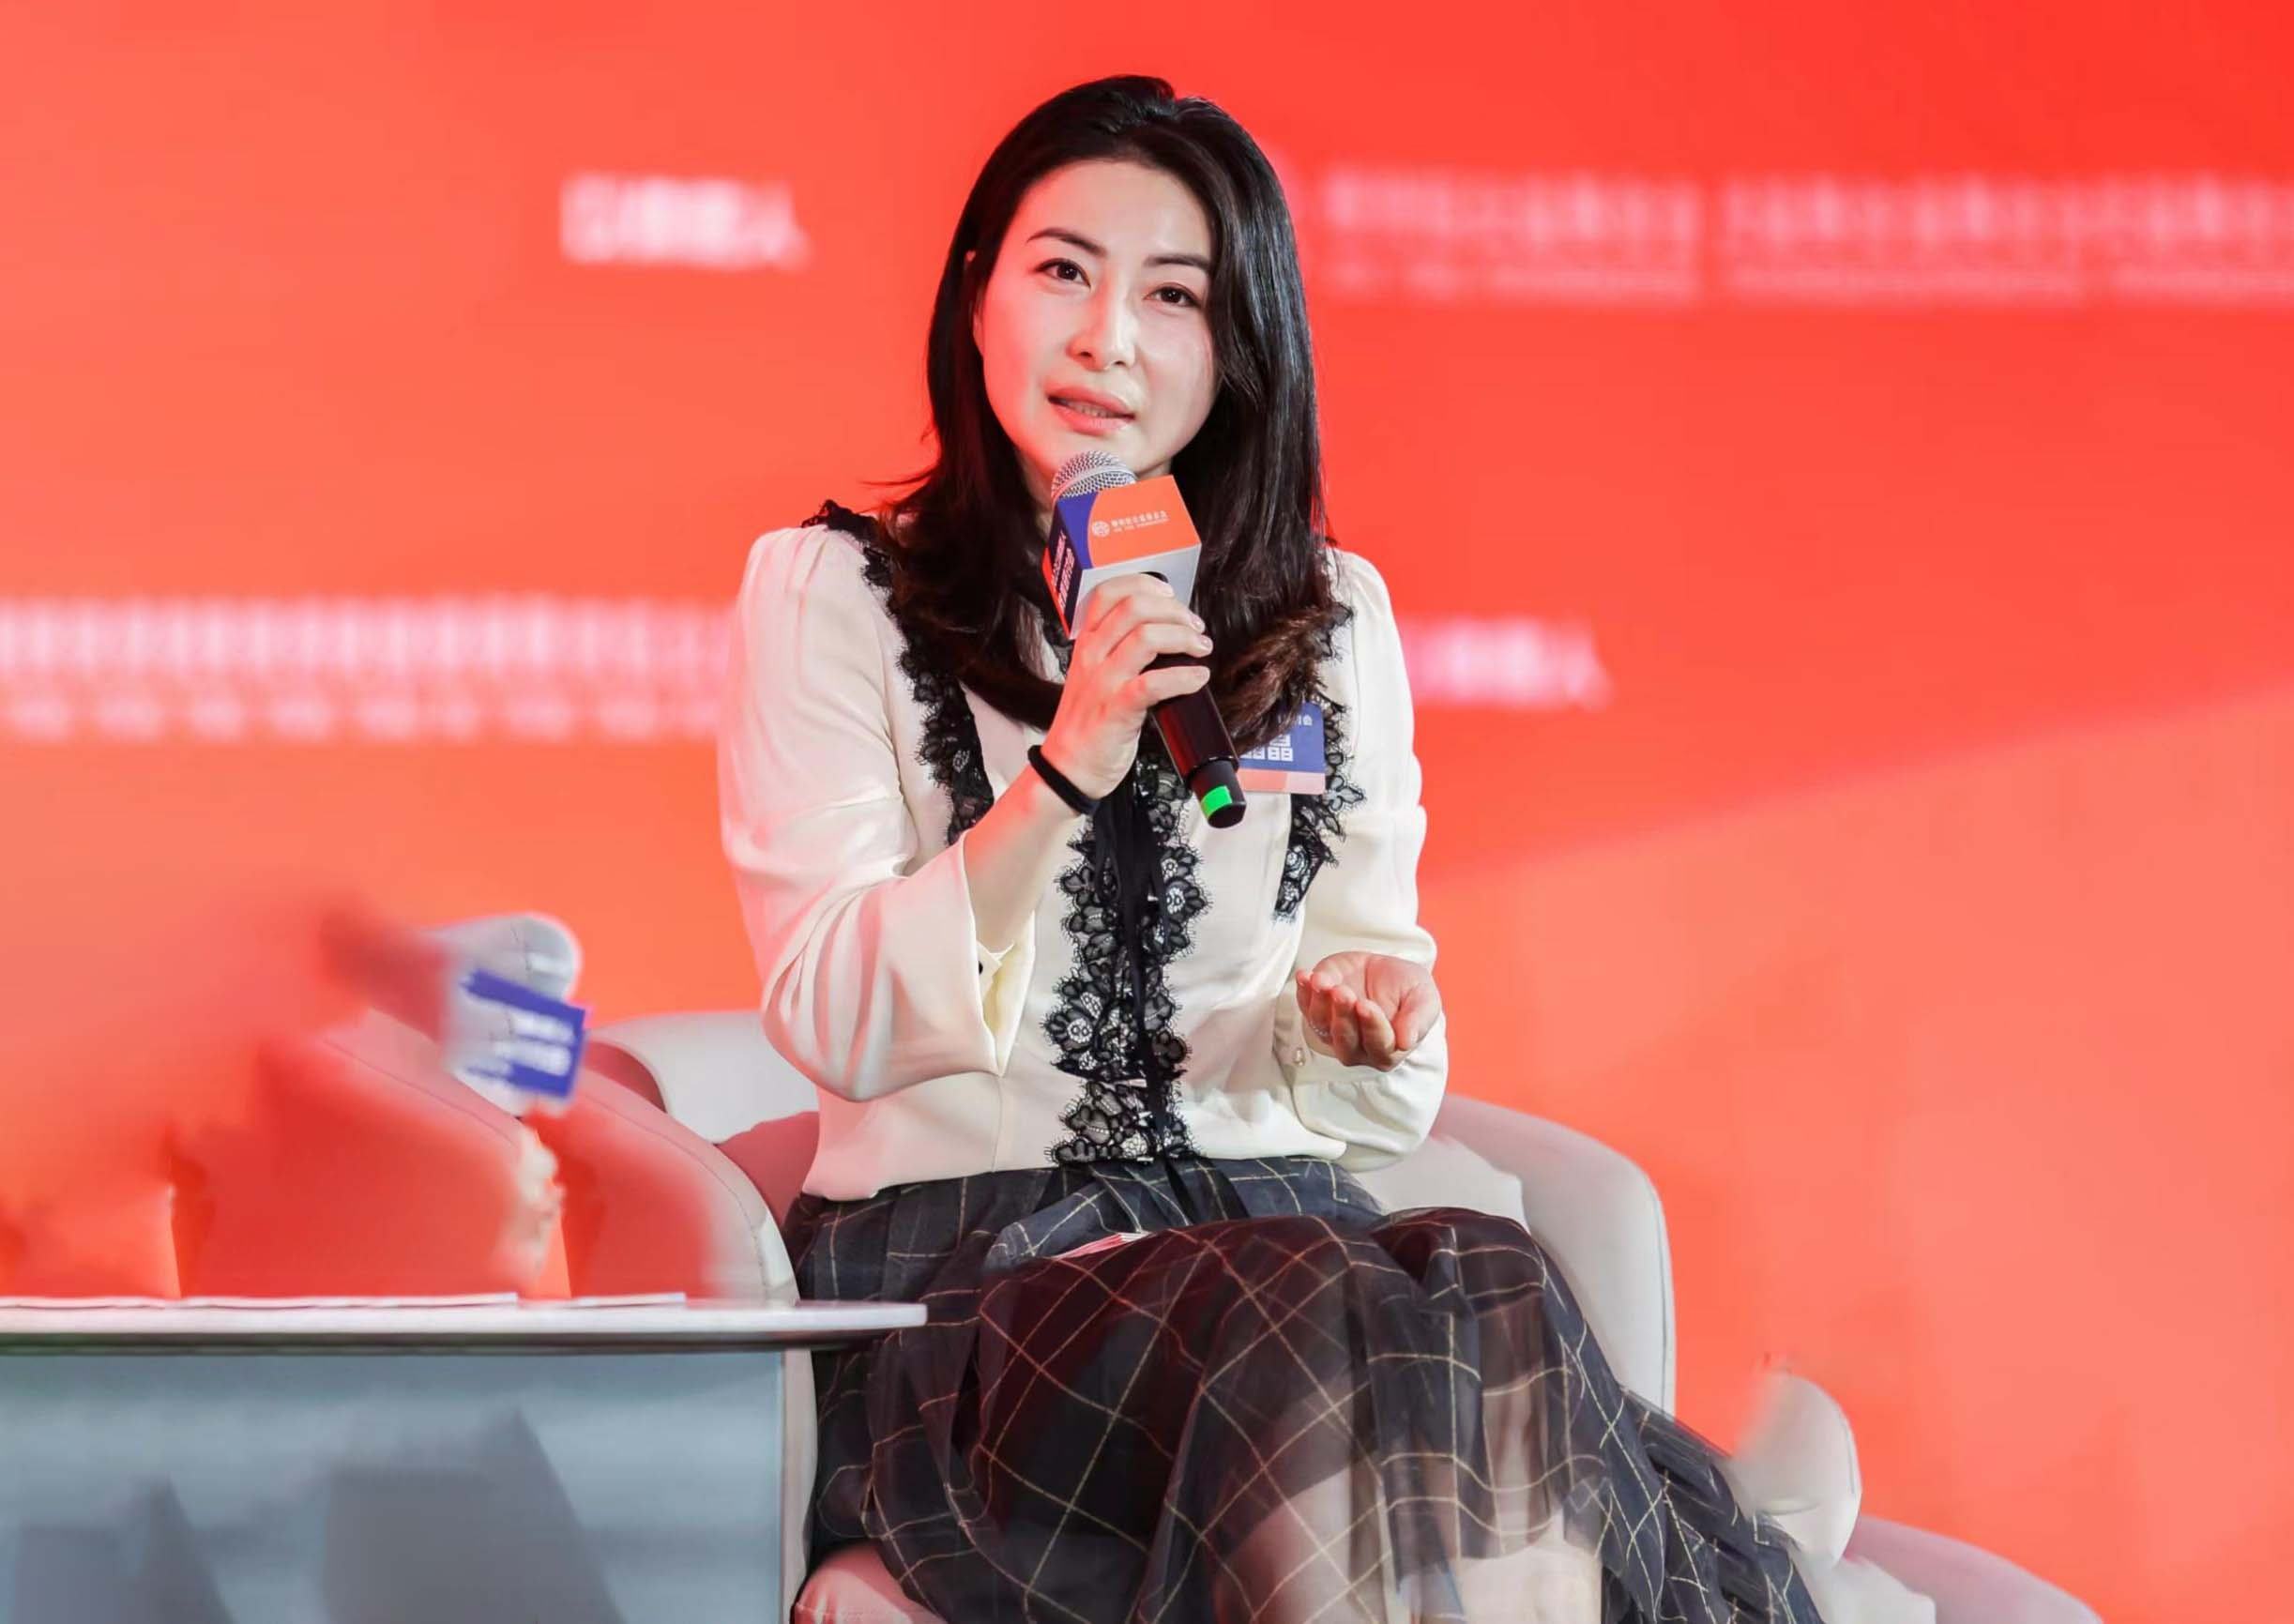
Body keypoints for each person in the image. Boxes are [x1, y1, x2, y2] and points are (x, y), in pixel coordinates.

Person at [721, 74, 1823, 1624]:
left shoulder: (1330, 617)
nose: (1107, 338)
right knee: (1344, 1323)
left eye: (1172, 297)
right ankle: (1692, 1520)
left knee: (1481, 1268)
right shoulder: (831, 595)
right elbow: (831, 1011)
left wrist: (1362, 1021)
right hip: (980, 1284)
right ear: (976, 299)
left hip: (1280, 1242)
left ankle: (1667, 1516)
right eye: (1062, 271)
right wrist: (1064, 768)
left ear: (1236, 352)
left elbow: (1378, 1071)